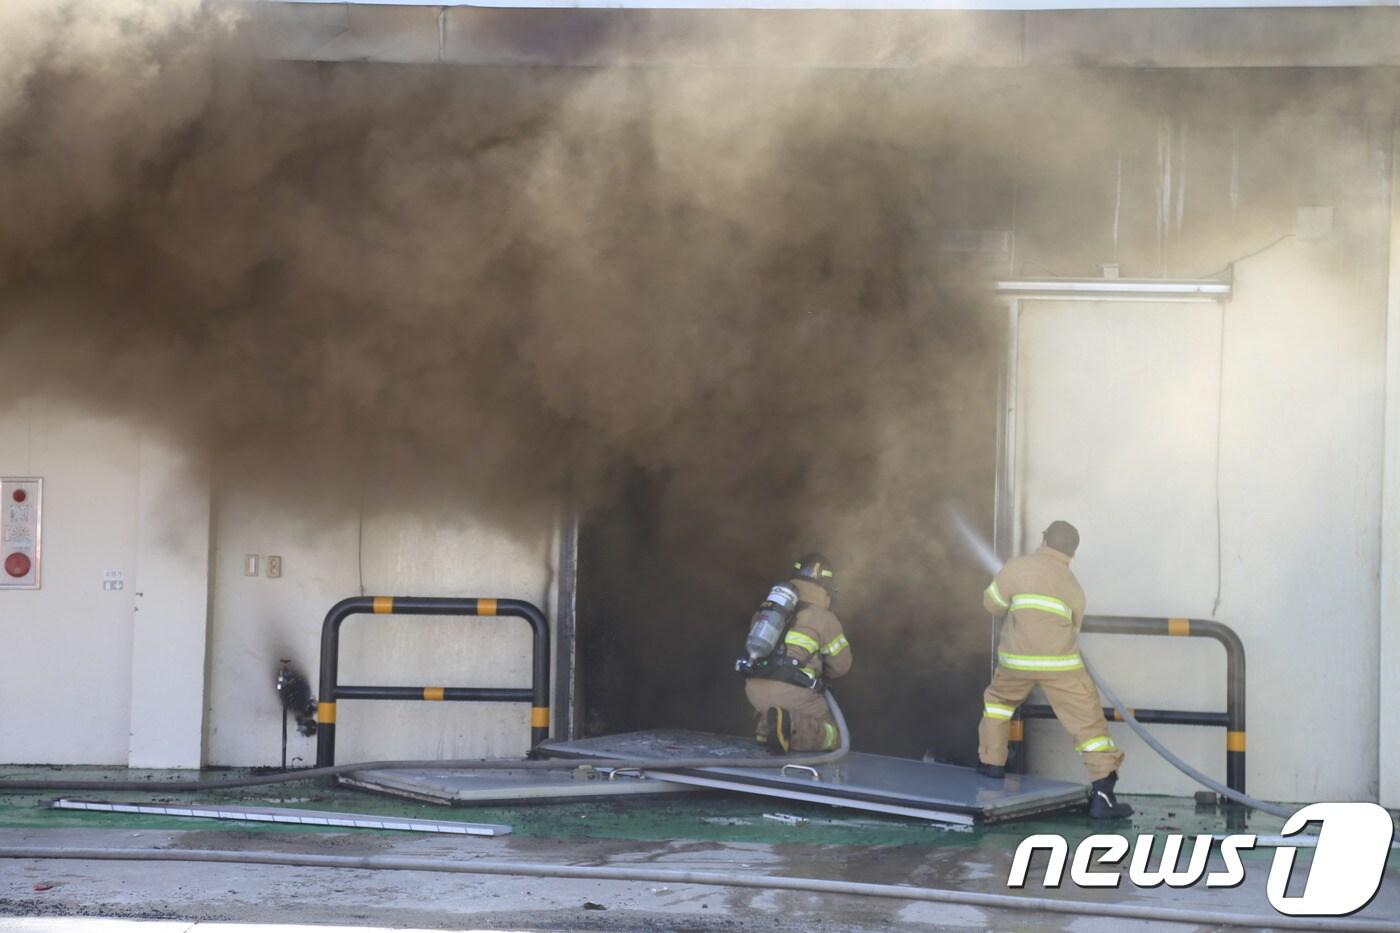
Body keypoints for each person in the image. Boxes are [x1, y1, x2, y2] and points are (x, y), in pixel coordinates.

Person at [976, 521, 1133, 819]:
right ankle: (1103, 794)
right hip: (1061, 666)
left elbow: (992, 604)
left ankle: (992, 765)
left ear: (1044, 539)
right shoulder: (1072, 584)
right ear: (1072, 552)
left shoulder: (1017, 567)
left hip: (1015, 662)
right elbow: (1075, 625)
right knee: (1088, 726)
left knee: (997, 704)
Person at [745, 553, 852, 753]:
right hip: (793, 692)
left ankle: (767, 727)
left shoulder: (769, 611)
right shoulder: (825, 618)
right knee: (832, 734)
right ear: (827, 589)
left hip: (755, 688)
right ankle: (789, 727)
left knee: (778, 708)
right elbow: (841, 667)